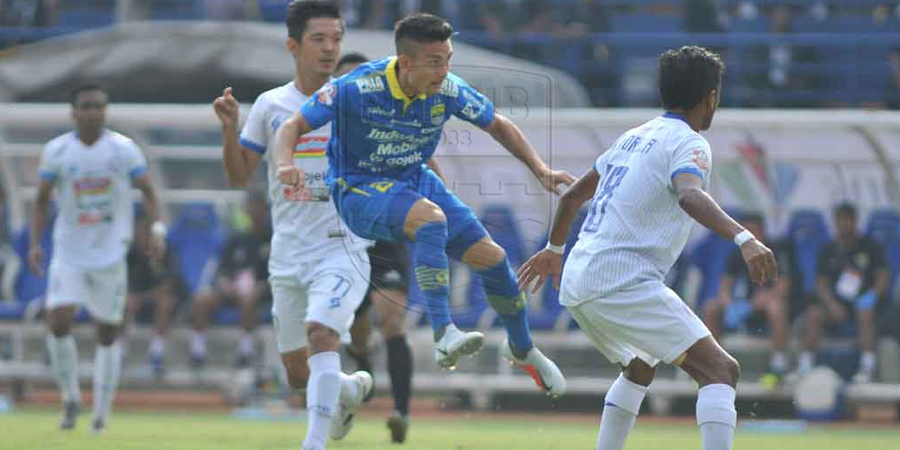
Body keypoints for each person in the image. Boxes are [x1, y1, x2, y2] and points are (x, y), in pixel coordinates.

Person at [275, 13, 571, 398]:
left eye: (448, 60)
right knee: (431, 220)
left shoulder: (448, 89)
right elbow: (291, 126)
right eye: (435, 62)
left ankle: (523, 348)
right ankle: (443, 331)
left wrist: (541, 169)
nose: (444, 71)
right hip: (358, 189)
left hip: (414, 180)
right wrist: (285, 164)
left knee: (494, 260)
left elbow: (497, 124)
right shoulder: (357, 87)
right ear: (407, 62)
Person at [517, 46, 778, 450]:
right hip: (621, 281)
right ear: (711, 98)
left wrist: (554, 248)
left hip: (579, 279)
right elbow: (689, 196)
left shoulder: (631, 138)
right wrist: (745, 237)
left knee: (639, 366)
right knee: (720, 371)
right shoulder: (689, 143)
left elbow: (571, 199)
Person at [211, 2, 373, 449]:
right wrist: (230, 128)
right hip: (288, 252)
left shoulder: (355, 100)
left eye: (336, 39)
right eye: (318, 39)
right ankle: (346, 389)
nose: (329, 48)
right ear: (293, 45)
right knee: (299, 373)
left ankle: (314, 444)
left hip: (341, 247)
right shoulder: (271, 105)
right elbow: (239, 176)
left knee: (322, 333)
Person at [31, 83, 166, 432]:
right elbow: (42, 200)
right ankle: (70, 397)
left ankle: (101, 415)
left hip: (110, 254)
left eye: (99, 107)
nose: (93, 112)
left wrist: (156, 230)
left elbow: (149, 192)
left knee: (107, 332)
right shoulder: (57, 151)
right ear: (74, 112)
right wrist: (34, 242)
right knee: (58, 319)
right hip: (69, 252)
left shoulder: (123, 150)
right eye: (87, 106)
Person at [335, 52, 415, 444]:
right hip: (341, 240)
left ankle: (401, 412)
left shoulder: (395, 121)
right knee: (357, 335)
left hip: (385, 236)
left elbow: (426, 162)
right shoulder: (321, 125)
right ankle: (359, 378)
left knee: (393, 321)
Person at [799, 202, 889, 384]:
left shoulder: (870, 247)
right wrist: (831, 304)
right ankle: (805, 366)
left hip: (863, 304)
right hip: (835, 306)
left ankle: (866, 368)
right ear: (835, 222)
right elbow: (820, 283)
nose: (845, 224)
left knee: (865, 313)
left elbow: (883, 277)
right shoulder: (828, 249)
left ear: (855, 221)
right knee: (813, 314)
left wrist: (872, 297)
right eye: (841, 220)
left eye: (849, 219)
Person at [702, 213, 792, 385]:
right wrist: (730, 305)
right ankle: (714, 366)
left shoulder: (776, 251)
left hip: (767, 308)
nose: (751, 236)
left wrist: (763, 300)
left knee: (777, 306)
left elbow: (783, 288)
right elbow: (724, 288)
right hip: (744, 308)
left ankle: (778, 365)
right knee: (711, 307)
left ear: (763, 232)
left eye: (754, 231)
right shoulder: (736, 254)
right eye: (747, 232)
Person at [189, 191, 271, 369]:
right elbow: (221, 270)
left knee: (248, 298)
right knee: (201, 299)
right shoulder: (235, 239)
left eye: (257, 206)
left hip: (260, 292)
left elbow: (277, 275)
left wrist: (259, 287)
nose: (253, 211)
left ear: (265, 209)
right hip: (232, 290)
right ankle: (197, 352)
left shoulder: (272, 239)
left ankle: (245, 352)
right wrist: (225, 283)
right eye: (250, 206)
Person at [124, 208, 181, 379]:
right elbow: (121, 283)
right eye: (140, 230)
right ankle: (120, 352)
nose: (143, 235)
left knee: (165, 302)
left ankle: (157, 353)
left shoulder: (166, 250)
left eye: (147, 231)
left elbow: (169, 284)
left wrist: (143, 297)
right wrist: (131, 296)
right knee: (121, 301)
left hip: (163, 304)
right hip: (138, 303)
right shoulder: (130, 254)